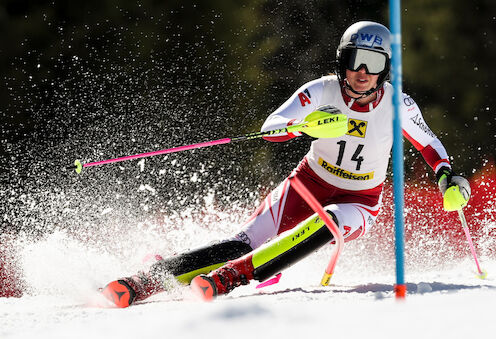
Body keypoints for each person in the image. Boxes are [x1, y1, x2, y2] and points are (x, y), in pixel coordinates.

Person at [101, 21, 471, 307]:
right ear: (342, 62)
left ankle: (230, 278)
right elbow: (270, 129)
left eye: (373, 63)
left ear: (385, 69)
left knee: (331, 221)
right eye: (354, 60)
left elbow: (430, 145)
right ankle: (147, 279)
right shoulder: (320, 91)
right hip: (306, 185)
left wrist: (446, 179)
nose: (362, 71)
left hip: (359, 201)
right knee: (242, 243)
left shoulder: (398, 104)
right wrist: (303, 126)